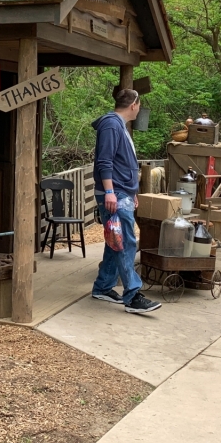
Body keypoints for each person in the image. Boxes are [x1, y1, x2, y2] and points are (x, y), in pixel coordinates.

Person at [90, 88, 161, 314]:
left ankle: (103, 287)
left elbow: (124, 163)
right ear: (134, 105)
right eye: (139, 105)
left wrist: (132, 193)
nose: (139, 109)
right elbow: (105, 161)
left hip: (123, 193)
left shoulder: (119, 125)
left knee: (115, 240)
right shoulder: (111, 125)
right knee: (126, 241)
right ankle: (132, 295)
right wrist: (110, 192)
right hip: (115, 193)